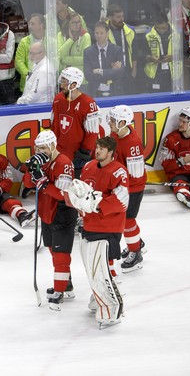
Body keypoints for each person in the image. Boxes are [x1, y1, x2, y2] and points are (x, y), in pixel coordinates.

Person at [65, 136, 128, 328]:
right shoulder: (89, 166)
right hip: (89, 225)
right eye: (97, 147)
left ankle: (111, 309)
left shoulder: (119, 171)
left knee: (100, 271)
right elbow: (81, 192)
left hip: (108, 228)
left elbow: (122, 201)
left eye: (101, 149)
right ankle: (98, 297)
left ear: (111, 153)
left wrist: (96, 204)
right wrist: (78, 203)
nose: (97, 151)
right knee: (92, 270)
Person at [21, 130, 77, 311]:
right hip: (46, 212)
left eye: (44, 148)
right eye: (38, 148)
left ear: (53, 146)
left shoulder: (64, 164)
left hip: (62, 212)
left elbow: (63, 194)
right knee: (53, 250)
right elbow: (28, 184)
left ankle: (59, 291)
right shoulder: (41, 161)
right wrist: (33, 171)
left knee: (61, 254)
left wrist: (43, 182)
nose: (40, 151)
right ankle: (66, 284)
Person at [107, 105, 147, 272]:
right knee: (124, 221)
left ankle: (136, 252)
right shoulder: (116, 134)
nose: (110, 122)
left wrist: (119, 187)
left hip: (132, 188)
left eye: (113, 120)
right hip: (122, 186)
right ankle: (136, 242)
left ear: (123, 122)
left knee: (127, 221)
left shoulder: (132, 144)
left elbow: (135, 176)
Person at [51, 66, 100, 178]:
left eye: (65, 82)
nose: (61, 85)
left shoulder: (88, 103)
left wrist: (84, 152)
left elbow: (92, 132)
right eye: (61, 81)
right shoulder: (58, 99)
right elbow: (54, 125)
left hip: (77, 155)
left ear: (74, 85)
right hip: (59, 153)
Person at [159, 107, 190, 210]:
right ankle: (184, 195)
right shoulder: (170, 139)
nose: (180, 124)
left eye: (184, 122)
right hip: (180, 175)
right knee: (179, 183)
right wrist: (183, 160)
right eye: (180, 120)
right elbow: (166, 165)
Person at [141, 13, 182, 94]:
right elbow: (141, 54)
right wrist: (149, 58)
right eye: (158, 28)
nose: (161, 30)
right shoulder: (148, 34)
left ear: (168, 22)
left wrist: (174, 57)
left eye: (163, 28)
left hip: (174, 74)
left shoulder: (178, 32)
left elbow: (186, 53)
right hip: (154, 73)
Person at [83, 21, 125, 97]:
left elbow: (120, 72)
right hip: (95, 92)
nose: (99, 36)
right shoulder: (88, 52)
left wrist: (99, 71)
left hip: (114, 91)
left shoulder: (116, 50)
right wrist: (112, 71)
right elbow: (88, 75)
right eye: (97, 33)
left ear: (107, 33)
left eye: (101, 33)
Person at [106, 4, 137, 94]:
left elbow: (134, 53)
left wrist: (133, 72)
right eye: (118, 17)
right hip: (111, 74)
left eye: (122, 16)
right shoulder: (103, 31)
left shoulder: (129, 30)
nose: (122, 19)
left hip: (127, 72)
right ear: (110, 17)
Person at [15, 13, 46, 95]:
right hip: (28, 85)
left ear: (41, 25)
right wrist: (28, 75)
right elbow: (18, 61)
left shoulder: (51, 41)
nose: (29, 26)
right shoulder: (24, 41)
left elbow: (55, 60)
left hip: (46, 83)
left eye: (33, 24)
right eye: (29, 23)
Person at [58, 11, 91, 76]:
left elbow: (85, 59)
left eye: (78, 22)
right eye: (74, 22)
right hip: (64, 77)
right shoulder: (60, 35)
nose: (77, 25)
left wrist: (64, 60)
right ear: (68, 24)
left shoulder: (86, 36)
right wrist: (70, 40)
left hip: (80, 78)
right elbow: (58, 55)